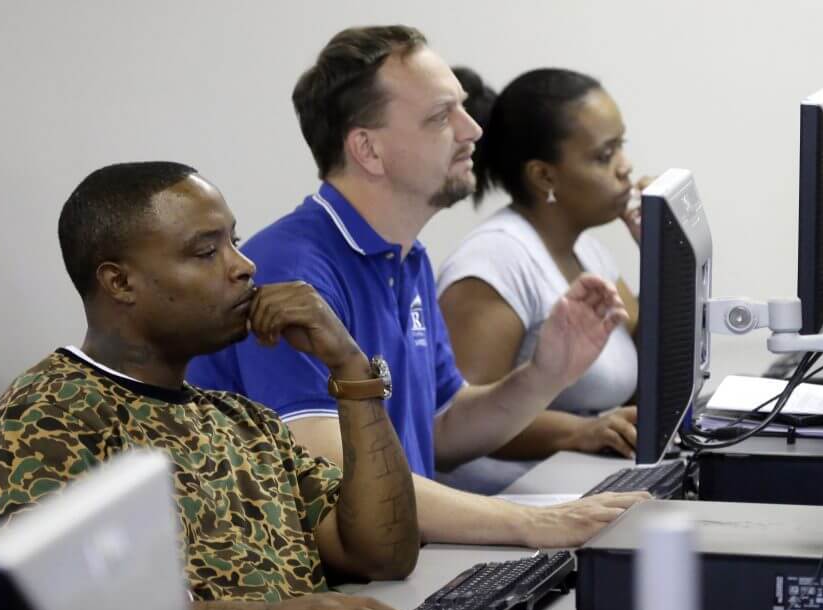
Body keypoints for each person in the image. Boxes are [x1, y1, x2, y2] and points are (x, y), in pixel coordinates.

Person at [187, 25, 650, 545]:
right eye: (440, 117)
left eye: (462, 108)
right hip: (330, 594)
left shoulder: (407, 258)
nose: (472, 128)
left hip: (401, 562)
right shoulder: (291, 271)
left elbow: (442, 428)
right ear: (368, 149)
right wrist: (535, 522)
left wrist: (547, 374)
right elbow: (335, 476)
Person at [0, 162, 424, 610]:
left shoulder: (244, 422)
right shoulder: (38, 424)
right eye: (206, 251)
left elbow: (382, 553)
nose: (243, 265)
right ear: (120, 283)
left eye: (233, 242)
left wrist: (350, 367)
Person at [434, 67, 654, 491]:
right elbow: (454, 422)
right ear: (544, 176)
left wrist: (663, 252)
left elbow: (653, 369)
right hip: (502, 512)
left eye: (620, 146)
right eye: (604, 155)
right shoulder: (496, 261)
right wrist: (577, 431)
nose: (625, 168)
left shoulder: (586, 251)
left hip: (578, 491)